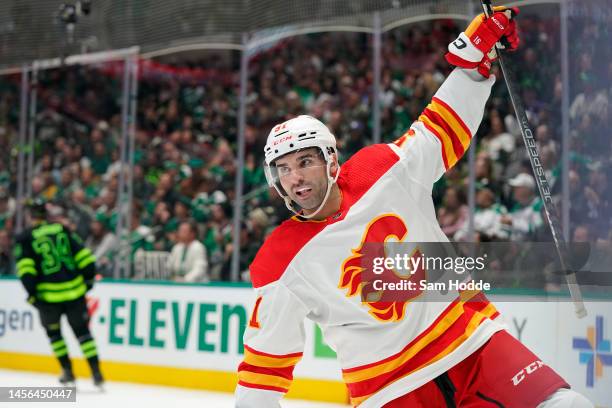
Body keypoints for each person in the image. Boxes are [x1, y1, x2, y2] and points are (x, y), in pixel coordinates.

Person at [235, 7, 592, 408]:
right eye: (283, 169)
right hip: (389, 390)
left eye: (305, 162)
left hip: (471, 342)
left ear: (331, 162)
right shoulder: (280, 259)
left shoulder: (381, 170)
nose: (295, 178)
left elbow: (440, 127)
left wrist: (473, 64)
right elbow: (264, 370)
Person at [14, 199, 104, 388]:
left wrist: (31, 293)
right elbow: (84, 256)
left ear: (31, 216)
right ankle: (96, 373)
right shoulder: (61, 229)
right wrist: (88, 278)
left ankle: (68, 371)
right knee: (83, 333)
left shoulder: (26, 237)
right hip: (74, 292)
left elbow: (26, 269)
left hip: (49, 297)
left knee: (55, 335)